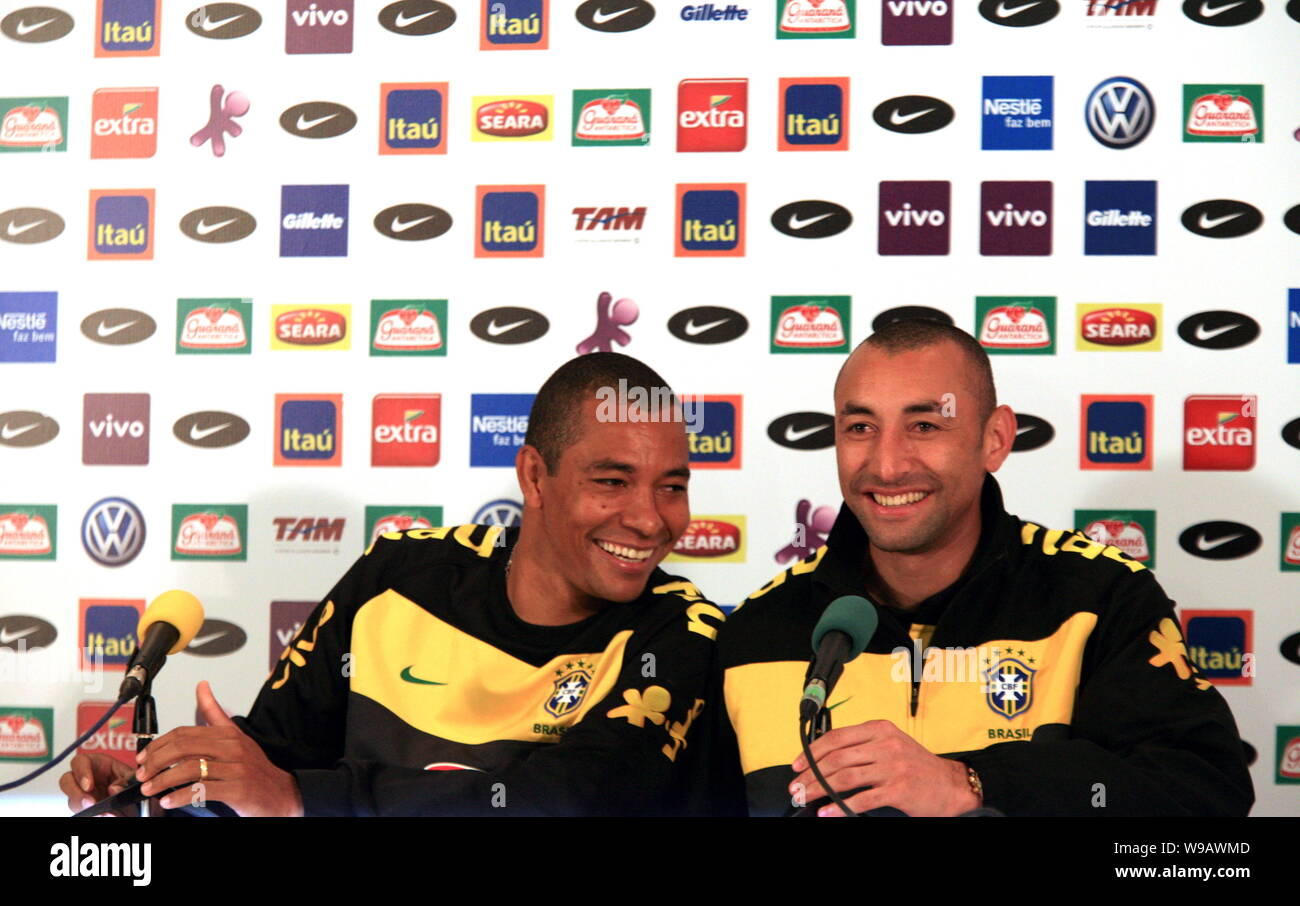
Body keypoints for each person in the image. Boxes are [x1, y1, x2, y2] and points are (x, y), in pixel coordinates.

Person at [61, 352, 743, 817]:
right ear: (535, 477)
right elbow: (277, 758)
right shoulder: (399, 577)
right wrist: (162, 793)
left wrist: (301, 798)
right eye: (613, 481)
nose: (652, 519)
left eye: (673, 487)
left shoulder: (682, 632)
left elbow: (573, 802)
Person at [718, 320, 1255, 817]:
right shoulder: (757, 628)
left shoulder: (1099, 598)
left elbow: (1205, 799)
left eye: (924, 424)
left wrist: (972, 783)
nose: (886, 464)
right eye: (860, 426)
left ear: (995, 439)